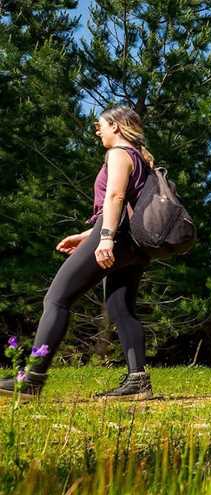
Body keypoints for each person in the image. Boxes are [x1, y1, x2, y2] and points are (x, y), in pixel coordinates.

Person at [0, 106, 154, 400]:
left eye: (101, 125)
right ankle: (138, 381)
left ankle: (31, 379)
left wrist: (104, 238)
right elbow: (125, 207)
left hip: (115, 236)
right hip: (133, 242)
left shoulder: (119, 154)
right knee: (121, 308)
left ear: (117, 127)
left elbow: (116, 197)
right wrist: (87, 236)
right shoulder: (141, 158)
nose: (98, 131)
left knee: (57, 298)